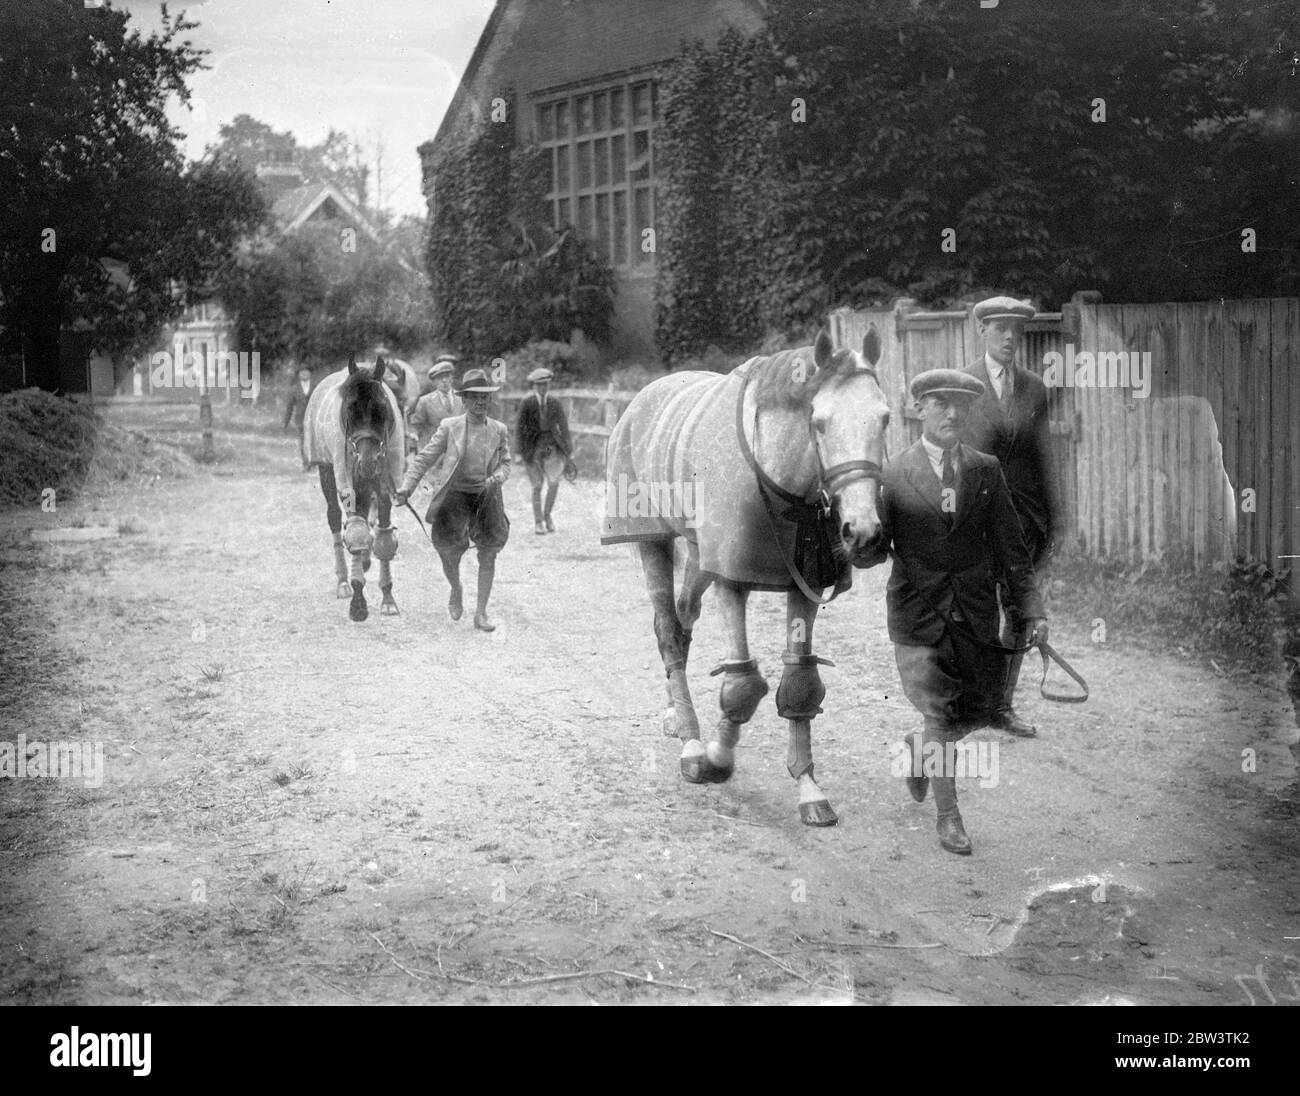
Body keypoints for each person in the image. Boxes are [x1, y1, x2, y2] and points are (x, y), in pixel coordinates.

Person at [872, 369, 1047, 855]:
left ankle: (920, 751)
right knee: (938, 710)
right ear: (919, 410)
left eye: (961, 406)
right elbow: (873, 548)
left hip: (973, 615)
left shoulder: (987, 470)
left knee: (977, 711)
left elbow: (1013, 550)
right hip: (918, 617)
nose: (952, 414)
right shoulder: (893, 472)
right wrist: (851, 534)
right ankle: (948, 817)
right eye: (941, 404)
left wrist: (1032, 610)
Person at [960, 295, 1060, 738]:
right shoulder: (961, 385)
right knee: (975, 614)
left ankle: (1001, 706)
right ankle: (973, 701)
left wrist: (1052, 522)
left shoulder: (1036, 388)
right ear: (982, 330)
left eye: (1015, 330)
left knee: (1019, 614)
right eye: (999, 328)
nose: (1008, 337)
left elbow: (1041, 460)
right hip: (976, 523)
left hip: (1023, 523)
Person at [394, 368, 511, 632]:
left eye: (485, 398)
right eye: (474, 398)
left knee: (488, 553)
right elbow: (424, 458)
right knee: (449, 554)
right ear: (465, 400)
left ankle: (481, 613)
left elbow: (505, 463)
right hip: (455, 496)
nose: (480, 403)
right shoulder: (450, 426)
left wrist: (496, 478)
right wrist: (406, 488)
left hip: (486, 496)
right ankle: (456, 588)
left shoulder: (499, 430)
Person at [514, 367, 576, 534]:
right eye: (539, 385)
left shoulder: (555, 403)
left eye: (545, 385)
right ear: (534, 386)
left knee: (554, 483)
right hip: (532, 449)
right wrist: (518, 453)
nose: (542, 388)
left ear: (549, 385)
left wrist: (568, 449)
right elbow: (519, 428)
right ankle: (538, 522)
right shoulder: (527, 403)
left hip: (552, 447)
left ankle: (547, 516)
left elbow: (563, 426)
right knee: (537, 485)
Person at [408, 356, 463, 453]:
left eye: (447, 376)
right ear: (434, 382)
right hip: (434, 454)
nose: (444, 380)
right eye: (440, 378)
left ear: (452, 378)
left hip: (458, 454)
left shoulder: (463, 399)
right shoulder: (425, 401)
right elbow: (417, 426)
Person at [283, 367, 314, 469]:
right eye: (302, 371)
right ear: (299, 374)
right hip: (301, 419)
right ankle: (306, 463)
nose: (304, 373)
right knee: (304, 441)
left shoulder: (316, 386)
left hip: (314, 419)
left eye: (306, 371)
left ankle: (315, 462)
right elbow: (289, 407)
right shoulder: (294, 389)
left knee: (315, 441)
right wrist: (285, 423)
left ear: (310, 373)